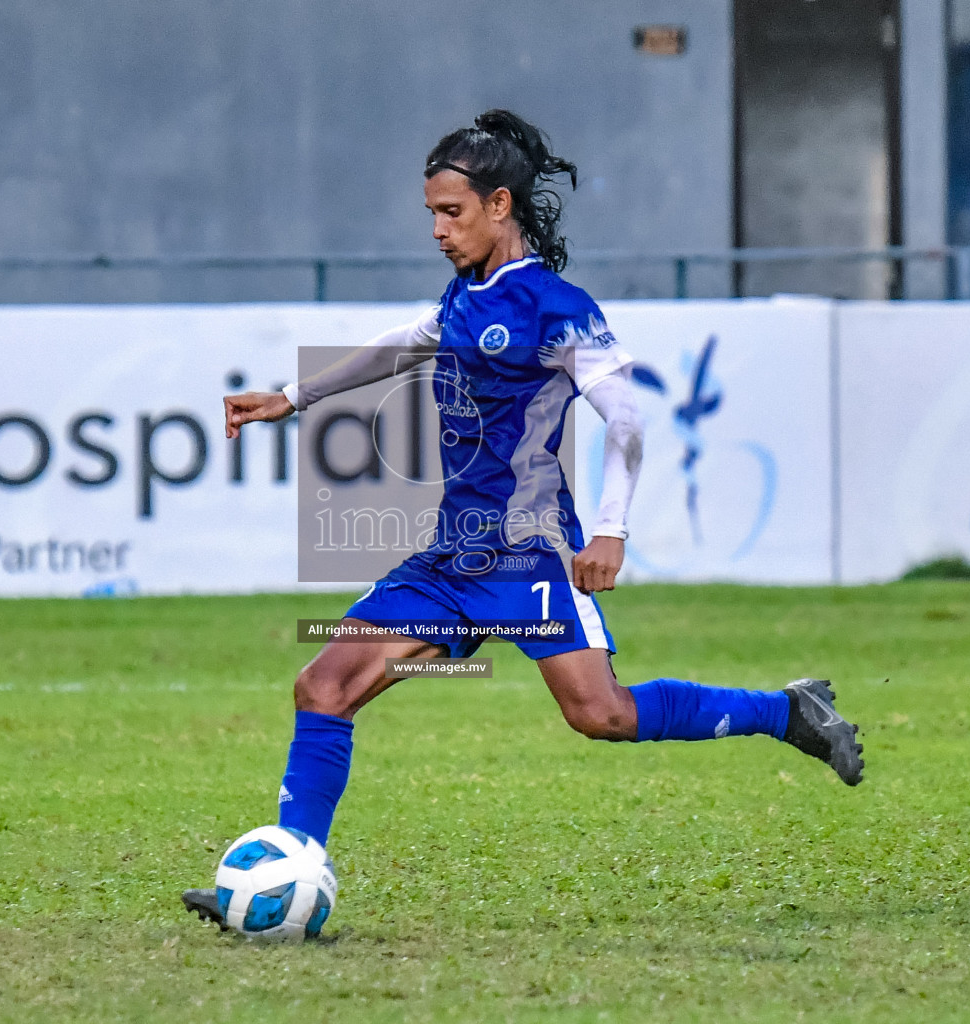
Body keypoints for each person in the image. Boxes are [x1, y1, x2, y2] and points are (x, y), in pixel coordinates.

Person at [185, 110, 862, 930]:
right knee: (323, 687)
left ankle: (787, 711)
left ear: (500, 205)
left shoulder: (557, 306)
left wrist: (609, 529)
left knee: (600, 715)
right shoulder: (465, 294)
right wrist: (290, 397)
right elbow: (404, 342)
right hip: (450, 558)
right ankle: (290, 871)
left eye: (451, 213)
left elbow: (627, 422)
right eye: (431, 214)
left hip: (530, 557)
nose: (437, 230)